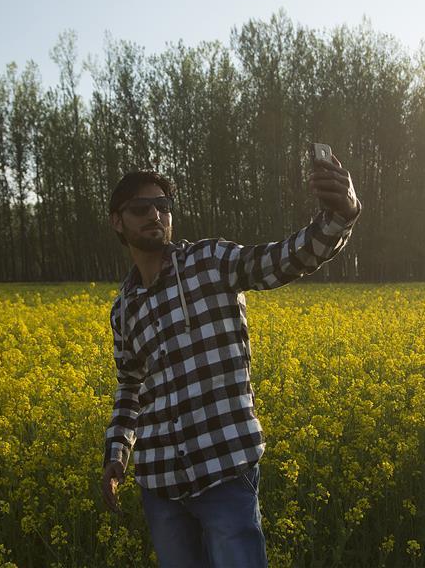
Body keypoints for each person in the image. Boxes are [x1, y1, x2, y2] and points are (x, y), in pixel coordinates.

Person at [101, 154, 361, 567]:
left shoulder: (210, 263)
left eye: (163, 206)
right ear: (118, 221)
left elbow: (284, 258)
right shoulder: (123, 309)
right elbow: (130, 387)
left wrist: (342, 215)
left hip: (223, 469)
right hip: (160, 483)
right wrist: (117, 452)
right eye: (141, 208)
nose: (155, 214)